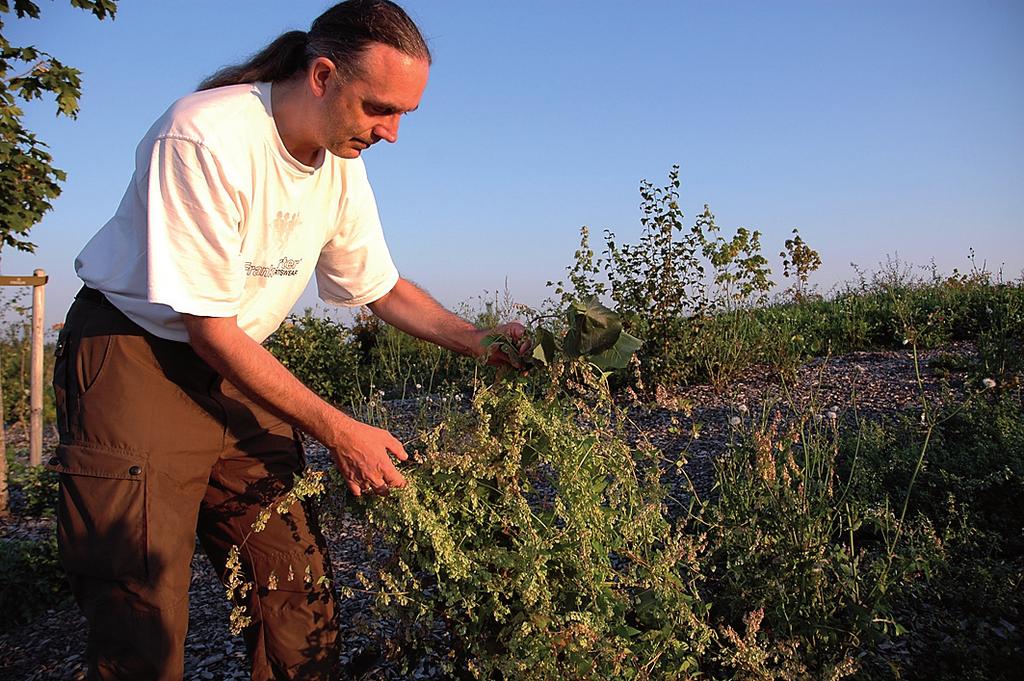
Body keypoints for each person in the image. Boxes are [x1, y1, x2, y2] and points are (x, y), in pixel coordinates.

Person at [50, 1, 525, 679]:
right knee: (141, 606)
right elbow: (206, 327)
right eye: (378, 108)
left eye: (402, 116)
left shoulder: (340, 162)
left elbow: (381, 287)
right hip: (137, 353)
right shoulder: (202, 136)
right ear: (324, 75)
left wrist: (483, 341)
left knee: (296, 587)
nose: (391, 133)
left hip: (234, 359)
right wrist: (340, 430)